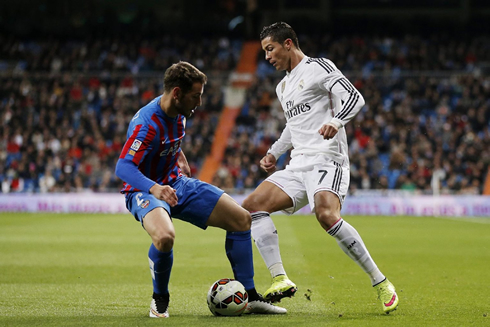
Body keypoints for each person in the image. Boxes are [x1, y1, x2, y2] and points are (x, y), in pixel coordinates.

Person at [242, 22, 399, 313]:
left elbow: (354, 97)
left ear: (288, 44)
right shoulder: (283, 86)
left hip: (328, 158)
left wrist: (336, 121)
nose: (267, 57)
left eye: (270, 49)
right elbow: (294, 125)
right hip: (298, 164)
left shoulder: (319, 67)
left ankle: (380, 282)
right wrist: (274, 152)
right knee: (251, 207)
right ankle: (280, 279)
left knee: (326, 215)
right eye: (265, 51)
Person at [115, 61, 286, 318]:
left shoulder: (179, 114)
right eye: (196, 96)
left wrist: (179, 156)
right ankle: (160, 298)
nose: (200, 102)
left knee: (241, 219)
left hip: (177, 184)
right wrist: (155, 189)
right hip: (144, 190)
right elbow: (124, 167)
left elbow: (169, 140)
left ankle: (249, 297)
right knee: (164, 238)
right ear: (177, 93)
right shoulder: (146, 124)